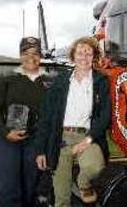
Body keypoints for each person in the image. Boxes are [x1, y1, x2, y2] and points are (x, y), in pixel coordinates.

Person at [34, 36, 111, 207]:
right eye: (80, 53)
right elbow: (46, 117)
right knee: (61, 197)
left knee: (95, 167)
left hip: (87, 136)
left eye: (89, 53)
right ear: (73, 56)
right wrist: (41, 150)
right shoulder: (60, 82)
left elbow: (105, 116)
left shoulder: (101, 82)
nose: (84, 57)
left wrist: (87, 140)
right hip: (59, 138)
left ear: (94, 57)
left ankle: (83, 183)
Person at [0, 37, 50, 206]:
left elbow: (53, 116)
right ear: (20, 56)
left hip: (35, 140)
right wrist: (5, 133)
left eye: (35, 53)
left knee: (30, 186)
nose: (31, 57)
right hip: (8, 138)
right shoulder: (7, 79)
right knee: (8, 187)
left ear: (41, 56)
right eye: (26, 53)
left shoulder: (49, 82)